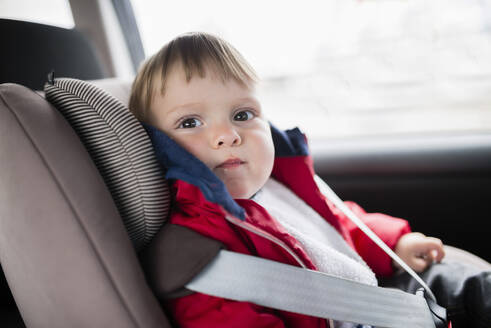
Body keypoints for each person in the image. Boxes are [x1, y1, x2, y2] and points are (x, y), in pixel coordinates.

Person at [129, 32, 489, 328]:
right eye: (190, 122)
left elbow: (337, 224)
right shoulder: (197, 245)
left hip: (379, 297)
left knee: (469, 284)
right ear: (158, 147)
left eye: (242, 114)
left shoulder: (277, 185)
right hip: (346, 318)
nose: (227, 135)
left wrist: (393, 243)